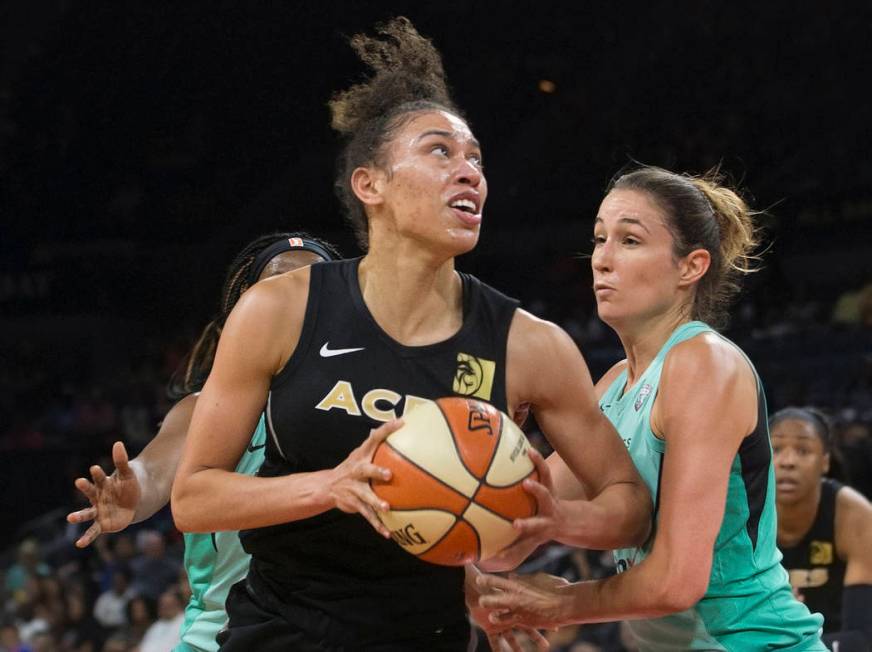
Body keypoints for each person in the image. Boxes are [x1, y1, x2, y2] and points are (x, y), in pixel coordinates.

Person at [171, 17, 651, 652]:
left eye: (476, 159)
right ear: (370, 185)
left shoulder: (529, 344)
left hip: (428, 632)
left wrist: (562, 519)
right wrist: (330, 485)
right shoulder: (279, 309)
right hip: (282, 628)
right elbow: (195, 497)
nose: (469, 172)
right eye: (440, 152)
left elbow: (630, 505)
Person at [476, 165, 826, 650]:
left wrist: (561, 602)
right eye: (599, 239)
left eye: (630, 241)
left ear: (691, 266)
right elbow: (509, 533)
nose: (601, 259)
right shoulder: (614, 385)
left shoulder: (705, 364)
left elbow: (676, 581)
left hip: (749, 641)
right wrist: (469, 463)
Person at [65, 232, 340, 652]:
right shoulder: (204, 408)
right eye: (279, 284)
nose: (298, 298)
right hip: (222, 637)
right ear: (245, 309)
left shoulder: (366, 406)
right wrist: (135, 488)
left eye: (315, 285)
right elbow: (155, 469)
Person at [773, 406, 872, 650]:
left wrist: (791, 645)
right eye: (775, 450)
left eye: (803, 450)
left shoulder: (856, 515)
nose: (788, 462)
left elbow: (864, 638)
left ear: (825, 462)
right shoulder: (737, 513)